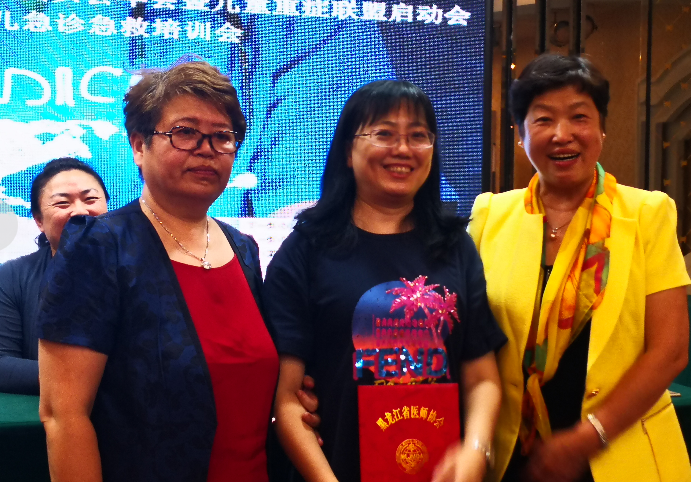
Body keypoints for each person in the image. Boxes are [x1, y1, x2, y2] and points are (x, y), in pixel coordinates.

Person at [37, 61, 291, 482]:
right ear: (139, 146)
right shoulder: (100, 246)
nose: (206, 149)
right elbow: (64, 417)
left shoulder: (243, 249)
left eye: (222, 136)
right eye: (185, 132)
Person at [264, 80, 507, 482]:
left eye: (418, 136)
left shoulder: (455, 246)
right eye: (384, 133)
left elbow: (482, 378)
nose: (403, 149)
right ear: (347, 151)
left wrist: (476, 450)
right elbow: (287, 400)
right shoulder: (306, 249)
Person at [468, 54, 691, 482]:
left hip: (621, 454)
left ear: (602, 129)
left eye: (579, 117)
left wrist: (587, 438)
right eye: (543, 119)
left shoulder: (647, 214)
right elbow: (469, 341)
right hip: (514, 457)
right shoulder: (490, 215)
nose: (562, 134)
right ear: (520, 134)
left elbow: (670, 351)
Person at [0, 157, 109, 395]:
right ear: (39, 220)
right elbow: (3, 364)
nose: (80, 211)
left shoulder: (141, 270)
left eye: (91, 199)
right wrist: (92, 379)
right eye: (62, 203)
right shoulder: (11, 277)